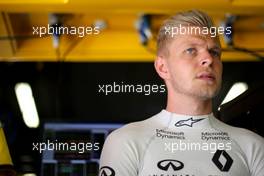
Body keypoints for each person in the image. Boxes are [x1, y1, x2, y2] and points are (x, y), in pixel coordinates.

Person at [99, 10, 264, 176]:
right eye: (191, 50)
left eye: (215, 52)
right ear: (163, 67)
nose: (208, 58)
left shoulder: (253, 146)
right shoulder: (126, 141)